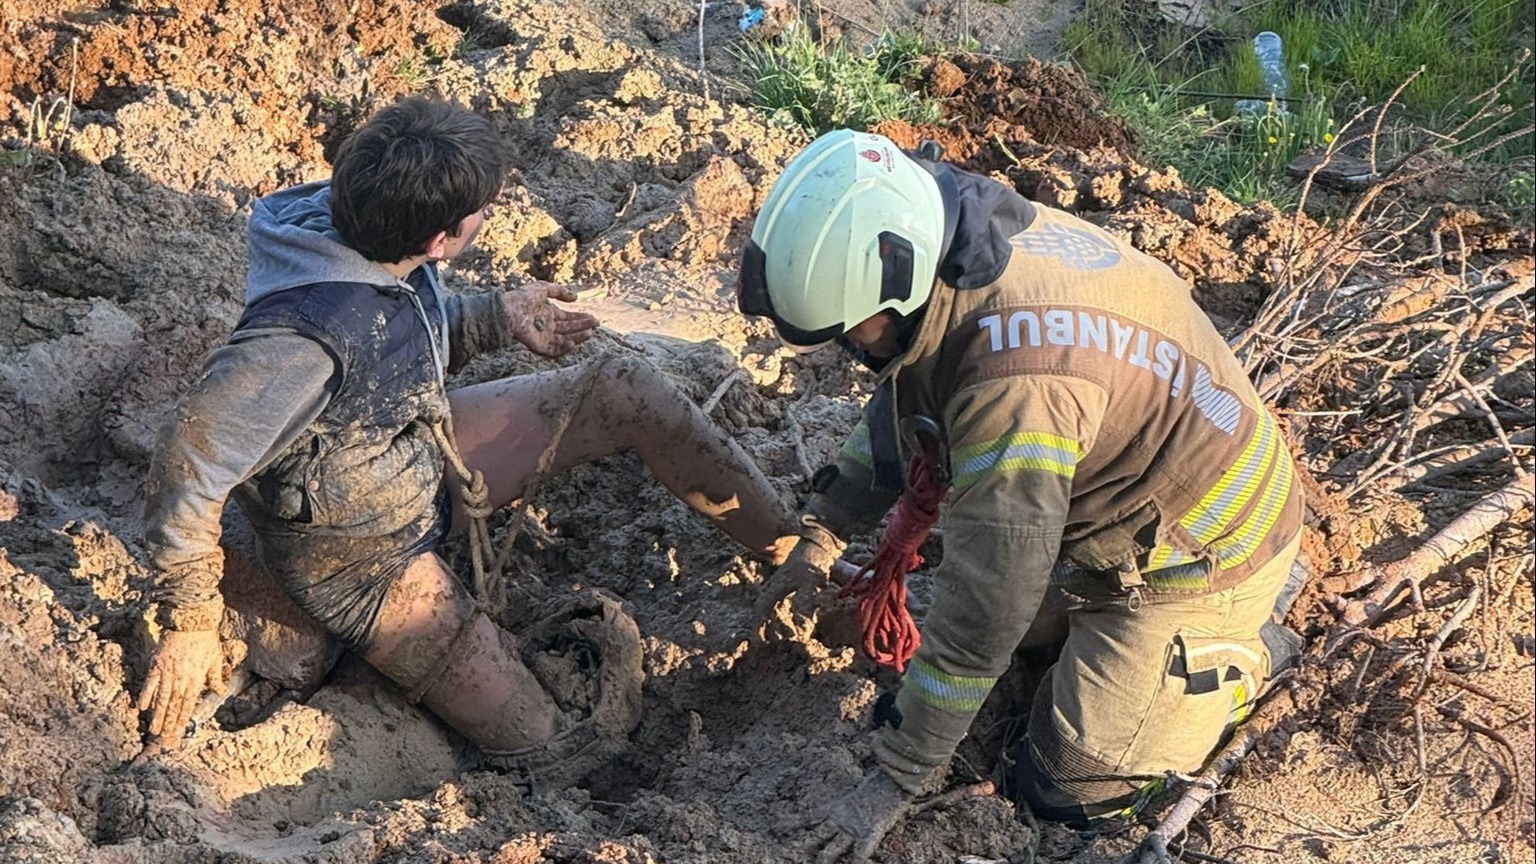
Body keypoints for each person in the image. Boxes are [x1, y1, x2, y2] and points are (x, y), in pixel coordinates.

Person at [137, 96, 800, 779]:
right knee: (555, 747)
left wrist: (489, 318)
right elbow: (188, 466)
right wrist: (188, 619)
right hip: (356, 559)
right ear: (437, 240)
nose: (488, 216)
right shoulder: (292, 343)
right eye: (481, 210)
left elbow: (388, 323)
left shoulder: (363, 229)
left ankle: (798, 552)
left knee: (623, 388)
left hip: (406, 451)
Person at [740, 129, 1306, 861]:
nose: (851, 349)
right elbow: (908, 399)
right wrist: (822, 528)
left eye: (852, 333)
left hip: (1199, 559)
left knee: (1069, 794)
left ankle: (1247, 649)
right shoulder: (956, 234)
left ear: (896, 276)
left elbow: (988, 602)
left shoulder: (1014, 379)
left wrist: (895, 776)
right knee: (988, 644)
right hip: (1106, 518)